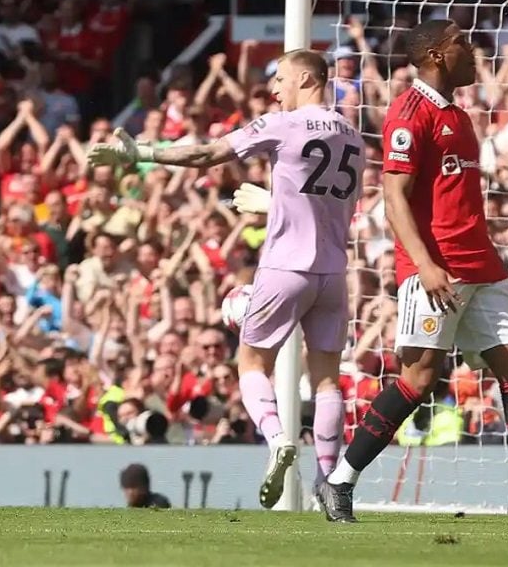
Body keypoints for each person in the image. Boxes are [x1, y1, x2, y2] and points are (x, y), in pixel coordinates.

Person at [316, 20, 508, 525]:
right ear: (437, 54)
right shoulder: (408, 113)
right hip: (437, 269)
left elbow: (460, 204)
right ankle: (339, 480)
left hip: (481, 266)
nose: (473, 48)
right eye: (461, 41)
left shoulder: (457, 116)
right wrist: (426, 265)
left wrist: (497, 263)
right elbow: (394, 197)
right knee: (418, 378)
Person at [87, 49, 364, 509]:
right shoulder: (353, 135)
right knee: (327, 382)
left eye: (280, 79)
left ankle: (278, 439)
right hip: (334, 271)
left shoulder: (282, 124)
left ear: (305, 79)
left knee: (252, 363)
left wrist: (142, 153)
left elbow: (205, 153)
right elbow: (334, 207)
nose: (274, 89)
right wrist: (275, 203)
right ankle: (329, 486)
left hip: (286, 265)